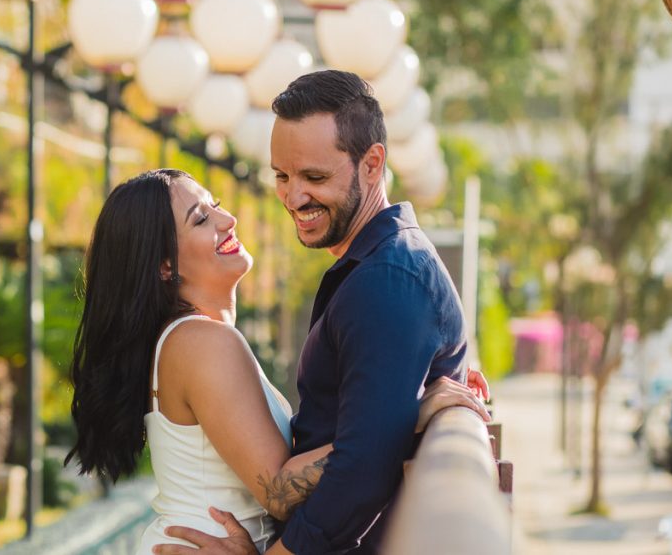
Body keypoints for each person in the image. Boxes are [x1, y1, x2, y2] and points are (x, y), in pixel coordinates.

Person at [66, 166, 488, 554]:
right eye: (201, 219)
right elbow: (277, 489)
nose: (226, 220)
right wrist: (404, 414)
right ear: (164, 266)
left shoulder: (196, 338)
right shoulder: (200, 342)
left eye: (215, 205)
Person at [153, 70, 482, 555]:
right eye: (282, 176)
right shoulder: (372, 269)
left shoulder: (386, 281)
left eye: (315, 177)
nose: (293, 197)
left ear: (372, 165)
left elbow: (358, 474)